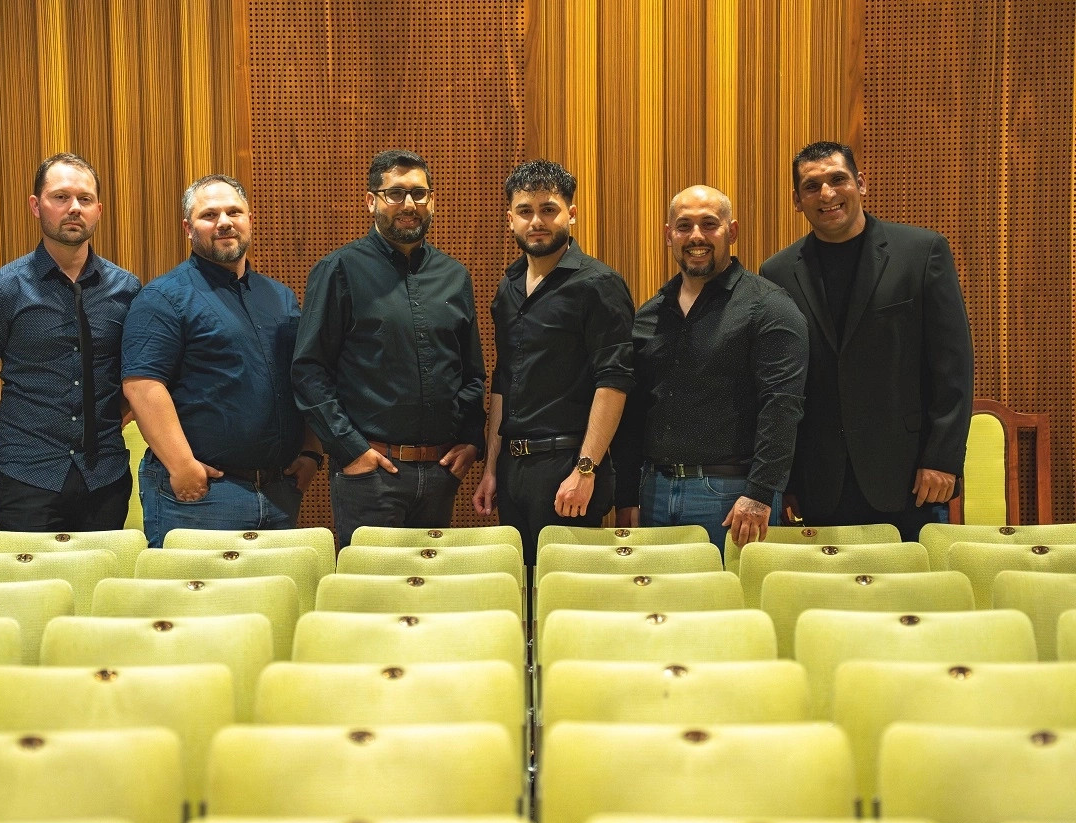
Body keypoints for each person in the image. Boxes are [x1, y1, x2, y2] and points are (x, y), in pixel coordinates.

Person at [760, 141, 974, 541]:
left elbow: (953, 367)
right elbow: (783, 385)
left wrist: (942, 459)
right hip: (820, 482)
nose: (826, 194)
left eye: (837, 179)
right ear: (797, 200)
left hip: (910, 476)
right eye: (812, 186)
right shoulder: (777, 272)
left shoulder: (922, 252)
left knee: (915, 581)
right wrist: (786, 480)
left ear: (860, 184)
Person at [292, 150, 486, 547]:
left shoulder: (454, 276)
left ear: (432, 200)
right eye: (395, 193)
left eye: (418, 193)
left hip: (440, 473)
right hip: (370, 474)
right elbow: (309, 371)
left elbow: (470, 372)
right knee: (371, 584)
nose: (409, 204)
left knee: (431, 582)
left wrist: (471, 441)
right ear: (371, 201)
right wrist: (350, 450)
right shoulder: (339, 270)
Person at [121, 174, 320, 548]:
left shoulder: (280, 298)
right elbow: (143, 385)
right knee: (195, 588)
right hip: (203, 495)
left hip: (279, 491)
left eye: (234, 212)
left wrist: (311, 452)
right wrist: (182, 467)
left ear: (250, 220)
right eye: (209, 215)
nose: (224, 222)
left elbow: (304, 377)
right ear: (188, 228)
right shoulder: (163, 297)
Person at [613, 185, 808, 556]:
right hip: (654, 492)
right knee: (660, 595)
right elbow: (634, 414)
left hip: (732, 496)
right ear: (668, 235)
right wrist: (626, 496)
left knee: (731, 594)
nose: (696, 236)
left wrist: (760, 493)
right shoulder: (650, 315)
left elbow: (782, 406)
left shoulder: (769, 307)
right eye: (684, 226)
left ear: (731, 232)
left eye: (709, 224)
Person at [0, 153, 141, 532]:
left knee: (103, 572)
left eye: (85, 199)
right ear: (36, 206)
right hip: (26, 477)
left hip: (105, 476)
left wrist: (102, 427)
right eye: (61, 197)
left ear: (99, 210)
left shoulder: (127, 289)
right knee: (28, 574)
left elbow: (137, 381)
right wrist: (17, 440)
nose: (74, 208)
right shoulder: (2, 289)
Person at [473, 159, 634, 565]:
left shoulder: (598, 284)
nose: (536, 222)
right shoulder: (509, 286)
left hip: (569, 466)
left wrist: (585, 470)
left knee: (565, 589)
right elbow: (504, 381)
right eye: (525, 211)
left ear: (571, 214)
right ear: (510, 219)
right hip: (513, 469)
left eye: (548, 209)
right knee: (520, 587)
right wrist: (491, 468)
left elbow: (614, 381)